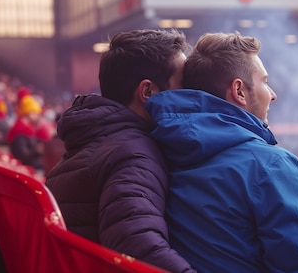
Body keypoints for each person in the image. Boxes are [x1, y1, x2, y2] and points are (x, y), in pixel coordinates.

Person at [145, 32, 298, 273]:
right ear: (239, 91)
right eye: (264, 81)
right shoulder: (272, 166)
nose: (272, 94)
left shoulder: (159, 149)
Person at [45, 29, 195, 273]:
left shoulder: (97, 138)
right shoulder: (134, 155)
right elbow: (136, 244)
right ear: (148, 92)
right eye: (184, 88)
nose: (193, 98)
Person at [6, 93, 46, 174]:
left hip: (31, 166)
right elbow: (22, 155)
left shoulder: (28, 129)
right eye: (35, 113)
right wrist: (37, 150)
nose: (37, 116)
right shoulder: (20, 130)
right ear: (29, 113)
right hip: (28, 169)